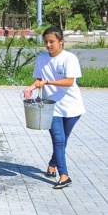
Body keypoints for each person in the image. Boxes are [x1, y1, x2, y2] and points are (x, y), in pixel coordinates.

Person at [23, 26, 85, 190]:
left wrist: (48, 82)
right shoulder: (42, 58)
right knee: (58, 140)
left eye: (52, 42)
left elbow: (69, 82)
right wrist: (31, 88)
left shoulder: (69, 58)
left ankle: (52, 165)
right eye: (46, 42)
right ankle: (64, 176)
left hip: (72, 106)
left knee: (62, 141)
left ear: (61, 42)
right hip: (52, 108)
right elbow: (39, 80)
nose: (48, 45)